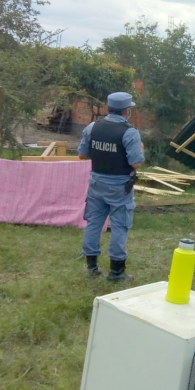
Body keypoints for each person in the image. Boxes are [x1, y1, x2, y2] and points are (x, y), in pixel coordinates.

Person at [77, 92, 145, 281]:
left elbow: (83, 155)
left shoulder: (92, 127)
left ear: (108, 108)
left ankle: (91, 268)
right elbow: (136, 163)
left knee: (93, 223)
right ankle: (116, 272)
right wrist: (141, 150)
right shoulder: (130, 132)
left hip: (96, 183)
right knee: (119, 226)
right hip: (119, 187)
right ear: (127, 111)